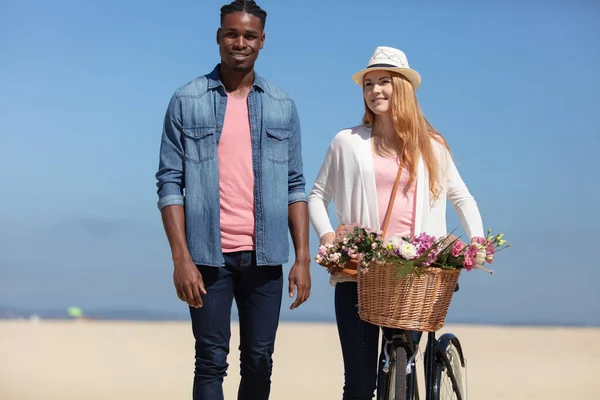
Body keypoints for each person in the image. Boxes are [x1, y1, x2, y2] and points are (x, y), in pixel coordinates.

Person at [308, 46, 484, 400]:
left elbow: (462, 197)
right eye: (368, 84)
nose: (375, 91)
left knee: (402, 365)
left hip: (414, 273)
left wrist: (477, 240)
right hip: (359, 272)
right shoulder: (347, 141)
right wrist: (328, 236)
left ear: (402, 87)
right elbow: (317, 195)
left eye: (384, 82)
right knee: (358, 385)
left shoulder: (431, 146)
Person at [155, 1, 311, 399]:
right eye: (231, 33)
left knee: (260, 360)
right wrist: (181, 258)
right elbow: (170, 183)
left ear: (262, 41)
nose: (239, 42)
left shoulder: (281, 105)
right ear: (219, 36)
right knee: (210, 360)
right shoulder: (186, 100)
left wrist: (303, 258)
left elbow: (295, 184)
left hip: (265, 255)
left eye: (249, 35)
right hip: (207, 258)